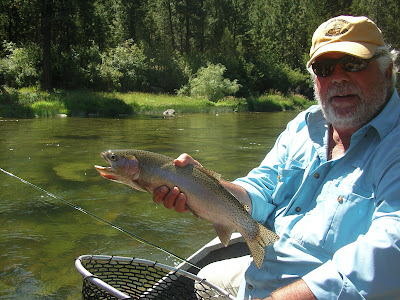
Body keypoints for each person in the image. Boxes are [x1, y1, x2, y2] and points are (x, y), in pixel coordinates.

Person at [153, 15, 400, 299]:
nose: (338, 77)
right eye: (324, 68)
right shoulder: (304, 126)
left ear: (387, 70)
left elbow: (389, 251)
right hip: (266, 270)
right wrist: (207, 189)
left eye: (353, 64)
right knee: (205, 278)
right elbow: (264, 186)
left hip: (320, 292)